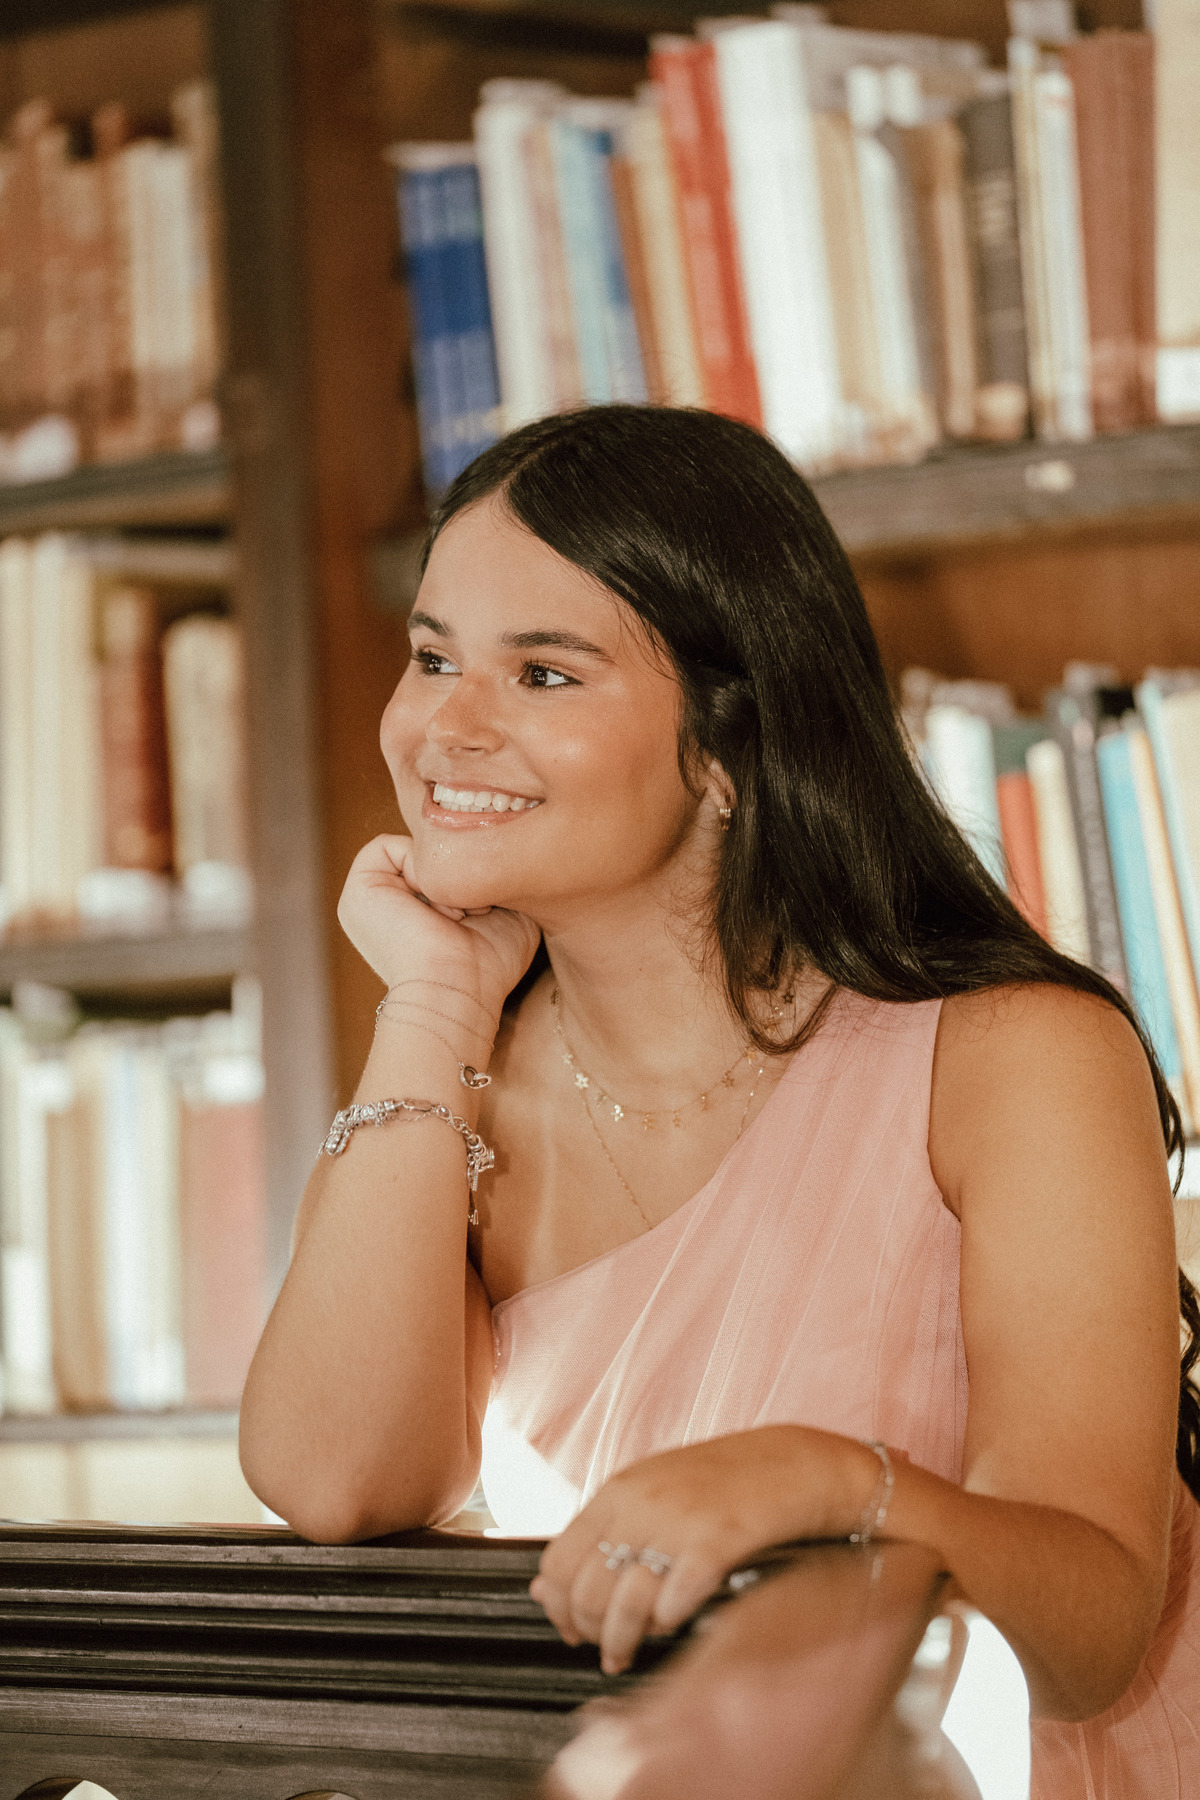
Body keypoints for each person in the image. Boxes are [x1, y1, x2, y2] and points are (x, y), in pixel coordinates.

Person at [239, 405, 1200, 1799]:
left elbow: (1096, 1634)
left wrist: (832, 1483)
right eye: (433, 656)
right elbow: (336, 1484)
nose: (444, 727)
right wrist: (433, 1006)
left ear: (727, 739)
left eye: (543, 673)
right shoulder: (458, 1084)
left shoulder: (1013, 1055)